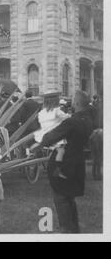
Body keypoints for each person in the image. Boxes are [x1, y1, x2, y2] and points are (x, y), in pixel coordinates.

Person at [30, 90, 94, 233]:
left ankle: (67, 230)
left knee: (61, 198)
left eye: (73, 100)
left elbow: (53, 135)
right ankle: (74, 228)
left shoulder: (72, 121)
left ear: (76, 103)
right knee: (69, 198)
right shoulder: (88, 120)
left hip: (64, 164)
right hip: (77, 162)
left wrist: (38, 145)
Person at [33, 92, 70, 179]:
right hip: (54, 136)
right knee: (61, 150)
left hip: (42, 136)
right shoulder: (57, 111)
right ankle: (58, 169)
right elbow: (67, 118)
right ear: (56, 101)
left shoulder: (41, 112)